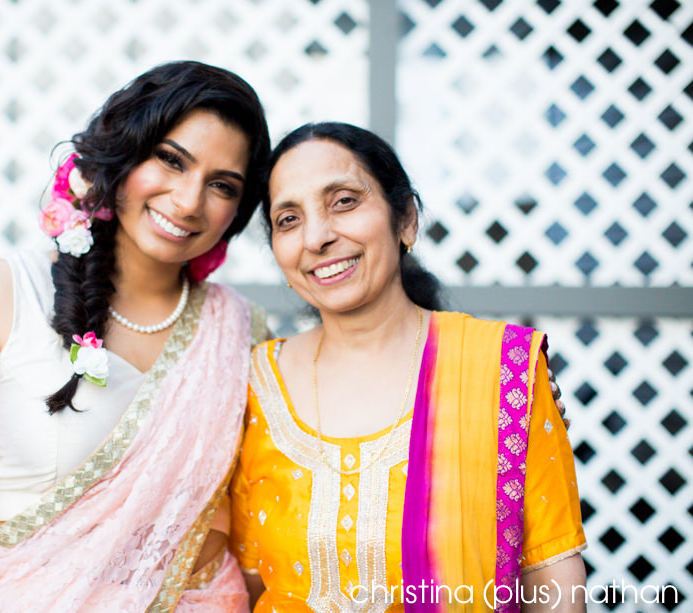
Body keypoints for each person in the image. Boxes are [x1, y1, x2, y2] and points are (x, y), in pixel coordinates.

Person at [0, 61, 271, 612]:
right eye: (171, 160)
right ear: (123, 154)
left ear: (236, 213)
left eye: (221, 185)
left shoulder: (239, 331)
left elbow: (253, 525)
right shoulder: (4, 296)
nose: (190, 201)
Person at [231, 122, 587, 612]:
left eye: (344, 201)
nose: (316, 237)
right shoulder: (254, 384)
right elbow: (241, 586)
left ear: (406, 220)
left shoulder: (500, 372)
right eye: (288, 219)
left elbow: (553, 584)